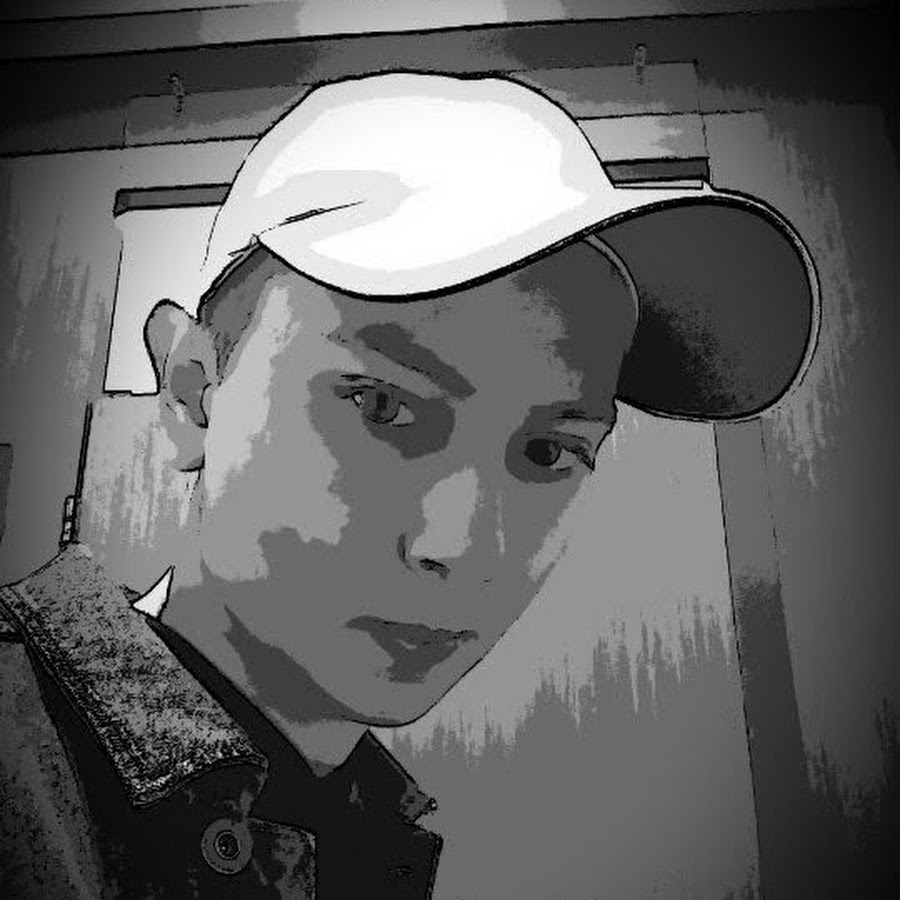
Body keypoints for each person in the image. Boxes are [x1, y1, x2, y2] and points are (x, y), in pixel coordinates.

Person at [0, 72, 817, 899]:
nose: (459, 547)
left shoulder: (367, 830)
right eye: (383, 406)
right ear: (194, 395)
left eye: (547, 451)